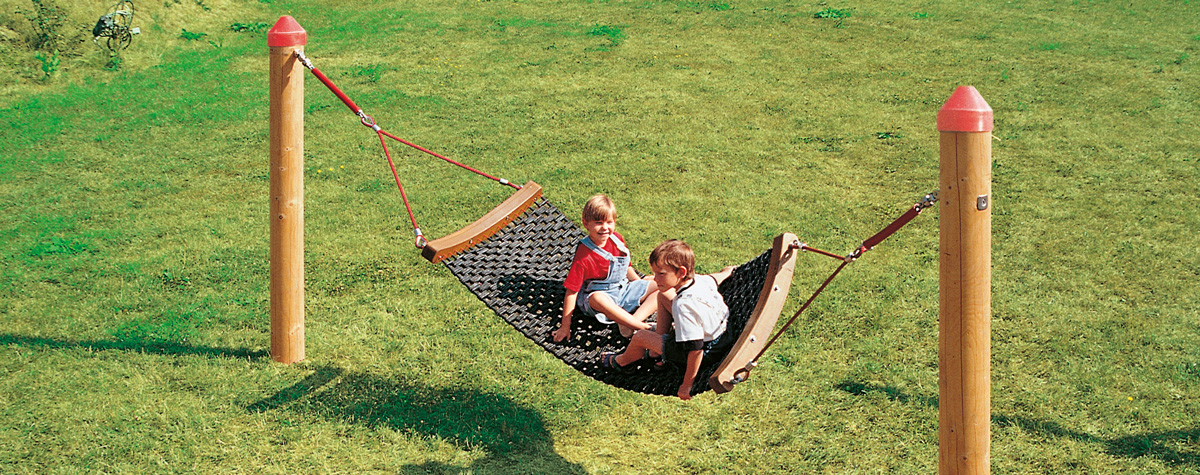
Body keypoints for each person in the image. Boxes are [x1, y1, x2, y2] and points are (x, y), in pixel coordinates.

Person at [600, 239, 734, 400]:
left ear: (681, 272)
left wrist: (686, 385)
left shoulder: (684, 305)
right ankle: (656, 353)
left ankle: (621, 361)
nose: (655, 279)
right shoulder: (701, 280)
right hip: (723, 335)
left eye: (661, 274)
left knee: (640, 336)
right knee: (663, 295)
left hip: (706, 351)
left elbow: (695, 350)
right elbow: (716, 278)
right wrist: (728, 271)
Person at [552, 195, 658, 343]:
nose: (605, 228)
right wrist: (565, 327)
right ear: (586, 224)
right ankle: (644, 327)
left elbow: (625, 267)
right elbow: (572, 292)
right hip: (600, 297)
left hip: (622, 290)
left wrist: (638, 283)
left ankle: (629, 323)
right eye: (598, 223)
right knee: (597, 298)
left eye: (609, 222)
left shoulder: (617, 240)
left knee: (662, 285)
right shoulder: (584, 255)